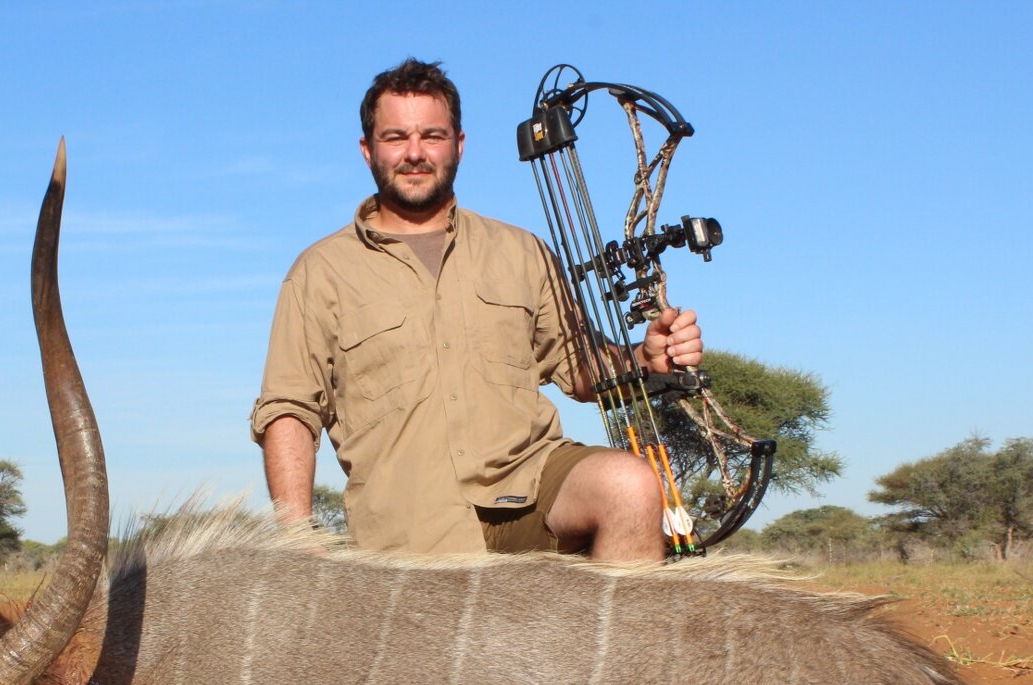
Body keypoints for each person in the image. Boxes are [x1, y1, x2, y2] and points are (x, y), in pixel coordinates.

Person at [251, 58, 704, 559]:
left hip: (529, 486)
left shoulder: (520, 250)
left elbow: (580, 370)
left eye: (433, 135)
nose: (415, 153)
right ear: (368, 150)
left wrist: (643, 361)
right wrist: (296, 544)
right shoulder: (319, 271)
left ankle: (625, 639)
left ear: (459, 144)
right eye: (396, 137)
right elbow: (290, 409)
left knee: (631, 486)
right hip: (410, 531)